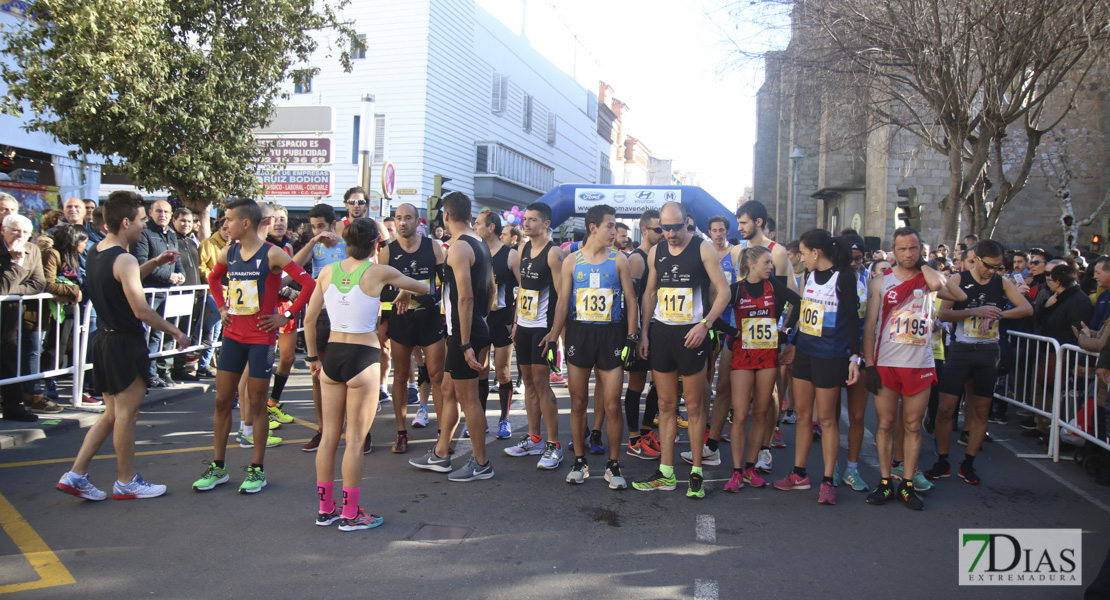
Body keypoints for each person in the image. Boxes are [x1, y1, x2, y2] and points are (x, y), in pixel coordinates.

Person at [55, 191, 189, 501]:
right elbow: (141, 309)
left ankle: (76, 474)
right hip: (124, 342)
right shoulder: (125, 258)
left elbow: (122, 279)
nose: (144, 226)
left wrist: (154, 261)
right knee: (126, 416)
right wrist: (176, 332)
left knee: (112, 414)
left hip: (104, 340)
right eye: (142, 220)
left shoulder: (98, 251)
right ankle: (126, 480)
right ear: (126, 222)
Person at [304, 217, 428, 530]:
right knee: (356, 440)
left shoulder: (328, 271)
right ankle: (350, 513)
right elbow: (424, 288)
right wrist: (404, 293)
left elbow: (309, 320)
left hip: (331, 356)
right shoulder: (379, 271)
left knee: (329, 436)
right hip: (364, 356)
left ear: (346, 242)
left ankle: (325, 509)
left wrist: (311, 359)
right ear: (376, 244)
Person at [192, 199, 315, 494]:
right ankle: (218, 467)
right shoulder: (228, 251)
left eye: (229, 219)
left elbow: (308, 283)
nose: (225, 224)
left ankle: (257, 469)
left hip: (261, 338)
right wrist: (221, 307)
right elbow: (212, 278)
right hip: (234, 336)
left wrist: (285, 315)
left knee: (257, 402)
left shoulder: (271, 253)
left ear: (245, 223)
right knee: (222, 400)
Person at [862, 227, 964, 510]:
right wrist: (869, 365)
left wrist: (925, 267)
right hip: (887, 363)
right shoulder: (881, 281)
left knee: (912, 425)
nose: (908, 254)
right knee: (885, 424)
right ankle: (885, 482)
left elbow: (958, 294)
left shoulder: (929, 278)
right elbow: (870, 326)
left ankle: (907, 483)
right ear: (893, 251)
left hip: (919, 364)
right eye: (903, 249)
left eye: (914, 249)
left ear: (922, 250)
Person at [634, 201, 731, 497]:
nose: (673, 233)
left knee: (694, 406)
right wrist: (645, 333)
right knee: (665, 405)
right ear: (659, 226)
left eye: (678, 227)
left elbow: (724, 291)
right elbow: (650, 292)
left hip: (692, 336)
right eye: (666, 228)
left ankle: (697, 472)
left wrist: (705, 325)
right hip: (663, 333)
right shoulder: (656, 251)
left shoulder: (703, 248)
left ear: (688, 222)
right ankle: (665, 473)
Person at [544, 204, 638, 489]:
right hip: (580, 334)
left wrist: (632, 337)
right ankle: (580, 462)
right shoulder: (571, 261)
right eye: (610, 226)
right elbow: (562, 302)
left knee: (611, 404)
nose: (615, 231)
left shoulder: (620, 259)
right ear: (593, 227)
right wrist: (552, 335)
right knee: (578, 402)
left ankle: (613, 464)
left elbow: (632, 302)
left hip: (611, 335)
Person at [928, 240, 1032, 485]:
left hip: (988, 351)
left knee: (981, 409)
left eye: (997, 267)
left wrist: (997, 313)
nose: (992, 271)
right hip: (961, 350)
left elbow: (1026, 308)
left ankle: (968, 463)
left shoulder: (1002, 282)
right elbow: (943, 314)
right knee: (946, 409)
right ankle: (943, 461)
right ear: (976, 258)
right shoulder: (958, 280)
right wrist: (975, 312)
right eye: (989, 266)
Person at [408, 191, 495, 481]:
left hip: (464, 330)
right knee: (447, 391)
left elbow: (466, 298)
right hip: (468, 327)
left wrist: (466, 341)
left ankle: (481, 463)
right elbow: (491, 288)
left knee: (468, 398)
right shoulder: (480, 242)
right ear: (469, 214)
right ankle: (442, 453)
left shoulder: (458, 248)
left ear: (445, 216)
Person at [773, 229, 861, 505]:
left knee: (826, 419)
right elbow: (807, 315)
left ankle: (827, 480)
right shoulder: (809, 277)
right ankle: (799, 473)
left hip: (830, 354)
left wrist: (854, 357)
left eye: (802, 252)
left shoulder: (844, 277)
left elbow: (852, 318)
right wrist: (793, 342)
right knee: (802, 414)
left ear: (816, 252)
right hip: (806, 353)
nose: (799, 257)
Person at [719, 245, 801, 492]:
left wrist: (785, 331)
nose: (770, 267)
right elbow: (714, 315)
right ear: (751, 263)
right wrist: (734, 333)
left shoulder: (773, 285)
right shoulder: (735, 290)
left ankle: (750, 467)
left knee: (762, 413)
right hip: (742, 357)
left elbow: (797, 302)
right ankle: (735, 471)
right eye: (766, 262)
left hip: (767, 355)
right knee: (741, 413)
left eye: (771, 263)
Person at [289, 203, 360, 452]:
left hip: (347, 315)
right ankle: (323, 429)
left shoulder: (347, 246)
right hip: (321, 315)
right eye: (313, 226)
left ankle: (358, 430)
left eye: (321, 226)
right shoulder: (315, 246)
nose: (318, 231)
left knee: (351, 375)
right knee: (318, 377)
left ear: (332, 224)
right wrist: (312, 241)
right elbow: (291, 270)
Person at [380, 203, 446, 453]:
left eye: (408, 218)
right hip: (402, 320)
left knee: (437, 376)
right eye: (398, 218)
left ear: (418, 221)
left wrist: (421, 293)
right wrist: (401, 293)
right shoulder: (388, 252)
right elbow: (382, 290)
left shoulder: (433, 247)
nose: (402, 222)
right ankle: (401, 432)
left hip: (428, 318)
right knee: (399, 376)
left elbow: (444, 284)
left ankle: (442, 433)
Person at [504, 202, 565, 468]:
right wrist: (516, 321)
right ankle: (534, 438)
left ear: (546, 224)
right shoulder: (522, 248)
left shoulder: (554, 254)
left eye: (532, 220)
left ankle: (554, 445)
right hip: (525, 325)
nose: (526, 223)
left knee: (541, 383)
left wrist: (555, 332)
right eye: (525, 219)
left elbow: (563, 297)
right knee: (527, 381)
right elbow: (522, 289)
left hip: (543, 328)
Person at [132, 199, 185, 388]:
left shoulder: (171, 234)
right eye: (159, 211)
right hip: (149, 292)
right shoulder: (145, 233)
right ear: (150, 212)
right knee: (144, 334)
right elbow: (142, 264)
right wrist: (169, 277)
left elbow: (177, 261)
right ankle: (142, 373)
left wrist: (181, 276)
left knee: (158, 335)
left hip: (167, 293)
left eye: (166, 212)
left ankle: (154, 372)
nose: (162, 215)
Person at [476, 209, 518, 439]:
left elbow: (524, 289)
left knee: (502, 372)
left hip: (503, 318)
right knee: (480, 370)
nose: (474, 227)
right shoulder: (475, 251)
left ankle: (504, 418)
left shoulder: (510, 255)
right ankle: (479, 419)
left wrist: (517, 319)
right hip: (481, 319)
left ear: (491, 227)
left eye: (478, 223)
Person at [624, 210, 663, 460]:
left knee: (660, 384)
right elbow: (633, 301)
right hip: (641, 331)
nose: (664, 233)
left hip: (661, 327)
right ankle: (634, 438)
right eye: (659, 229)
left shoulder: (663, 255)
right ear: (645, 230)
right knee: (636, 384)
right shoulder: (637, 259)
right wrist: (636, 334)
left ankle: (648, 431)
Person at [0, 214, 46, 422]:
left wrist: (12, 291)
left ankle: (12, 406)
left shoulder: (32, 249)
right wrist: (16, 264)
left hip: (11, 316)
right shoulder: (11, 253)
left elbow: (38, 284)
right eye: (16, 230)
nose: (21, 236)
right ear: (3, 229)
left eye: (26, 232)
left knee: (10, 359)